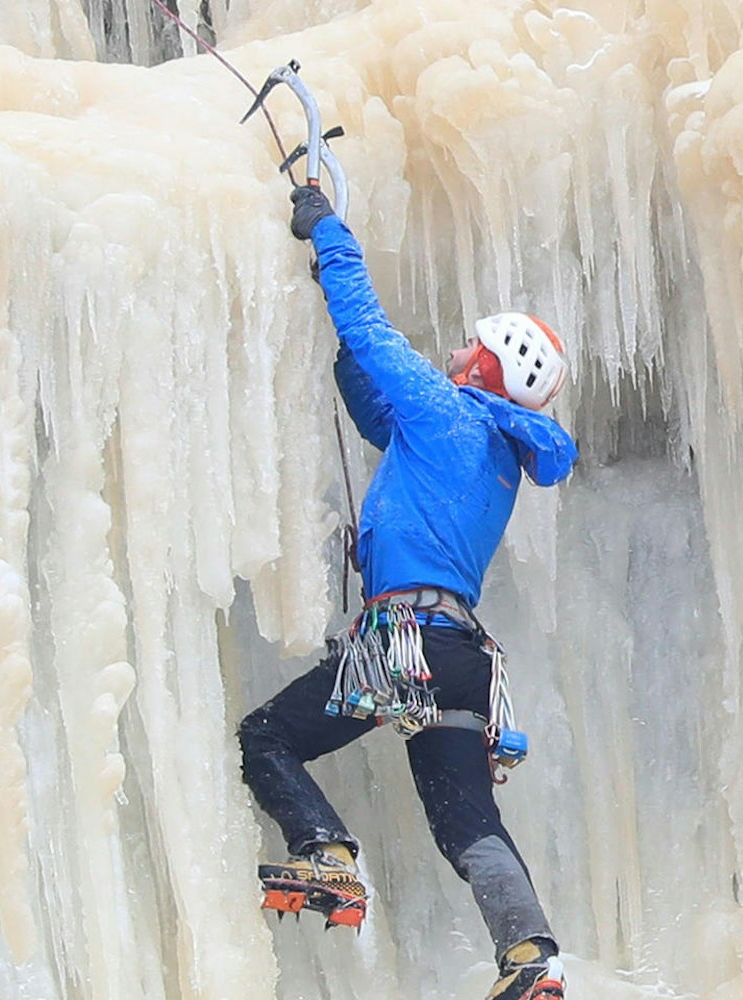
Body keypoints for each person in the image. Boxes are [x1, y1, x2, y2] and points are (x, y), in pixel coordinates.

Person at [237, 183, 576, 1000]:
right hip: (461, 661)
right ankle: (531, 956)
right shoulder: (493, 452)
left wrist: (328, 237)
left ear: (484, 364)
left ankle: (327, 853)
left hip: (402, 644)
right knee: (466, 821)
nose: (454, 351)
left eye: (467, 346)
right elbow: (374, 412)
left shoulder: (450, 411)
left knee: (266, 738)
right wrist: (346, 362)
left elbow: (370, 330)